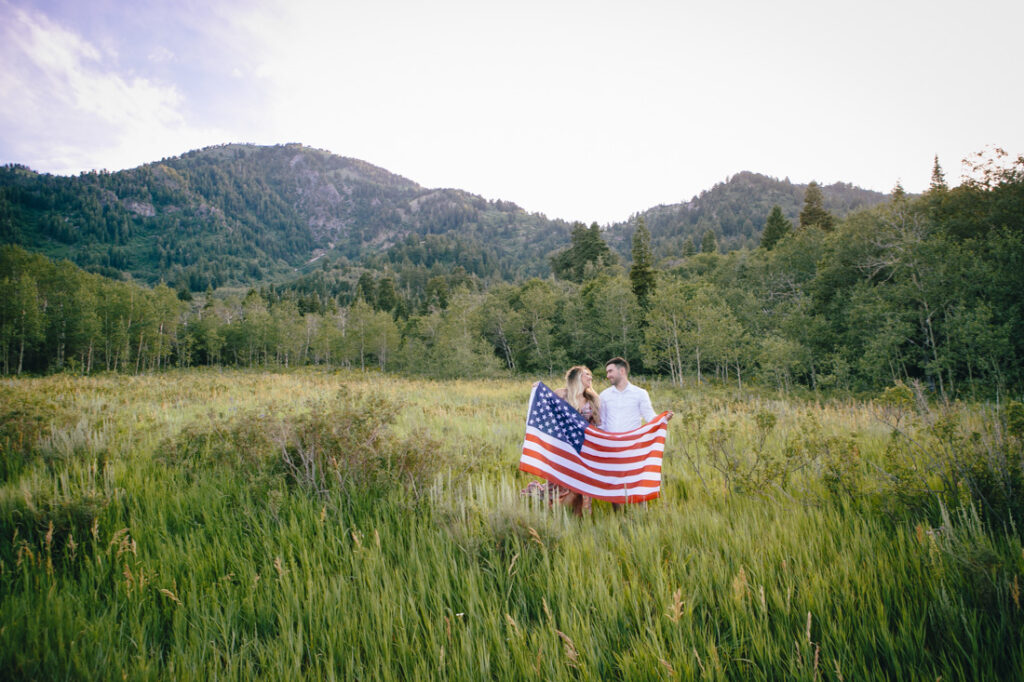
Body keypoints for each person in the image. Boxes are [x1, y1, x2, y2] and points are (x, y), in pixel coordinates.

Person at [521, 365, 600, 516]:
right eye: (586, 375)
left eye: (590, 375)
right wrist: (538, 390)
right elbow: (545, 410)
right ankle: (554, 513)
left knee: (581, 487)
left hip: (582, 450)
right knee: (560, 487)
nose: (590, 377)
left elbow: (596, 425)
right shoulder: (561, 394)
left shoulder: (593, 398)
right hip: (561, 449)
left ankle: (581, 519)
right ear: (576, 378)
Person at [598, 356, 673, 510]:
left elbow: (650, 417)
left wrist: (663, 419)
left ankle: (640, 518)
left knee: (637, 483)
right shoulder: (604, 395)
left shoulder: (640, 393)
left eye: (610, 371)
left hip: (634, 446)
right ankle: (618, 518)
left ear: (622, 370)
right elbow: (602, 423)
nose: (608, 375)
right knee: (614, 484)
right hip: (613, 448)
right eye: (607, 372)